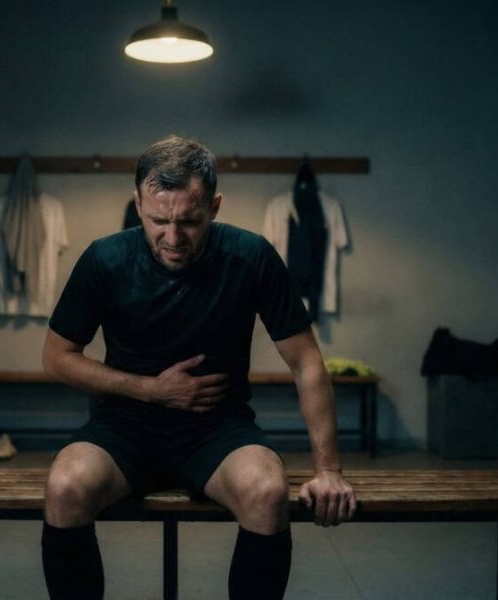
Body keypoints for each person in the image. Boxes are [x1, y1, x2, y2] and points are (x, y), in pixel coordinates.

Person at [41, 135, 356, 600]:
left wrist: (328, 470)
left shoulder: (251, 257)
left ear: (214, 205)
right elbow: (56, 358)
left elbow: (306, 361)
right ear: (138, 204)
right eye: (157, 221)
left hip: (217, 429)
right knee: (65, 486)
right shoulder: (105, 259)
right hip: (124, 427)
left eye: (189, 221)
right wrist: (152, 390)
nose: (172, 237)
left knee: (268, 491)